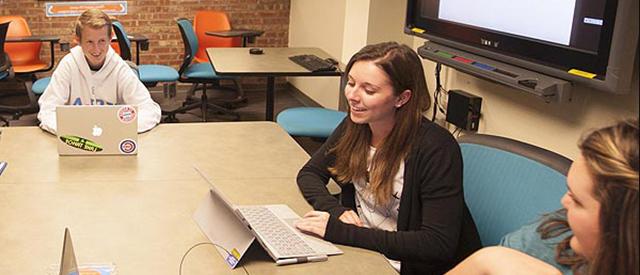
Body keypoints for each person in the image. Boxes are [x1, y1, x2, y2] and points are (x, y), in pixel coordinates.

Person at [294, 41, 481, 275]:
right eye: (351, 83)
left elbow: (437, 244)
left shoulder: (436, 148)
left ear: (401, 98)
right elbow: (310, 174)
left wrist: (341, 232)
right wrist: (336, 211)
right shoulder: (356, 125)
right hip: (367, 250)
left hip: (411, 265)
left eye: (368, 90)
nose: (352, 96)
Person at [446, 118, 639, 275]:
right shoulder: (550, 238)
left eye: (578, 202)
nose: (564, 202)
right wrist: (486, 260)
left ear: (624, 226)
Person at [37, 9, 161, 134]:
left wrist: (117, 130)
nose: (96, 50)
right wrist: (73, 132)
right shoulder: (68, 65)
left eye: (102, 41)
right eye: (90, 42)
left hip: (114, 140)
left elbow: (150, 110)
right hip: (77, 141)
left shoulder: (119, 68)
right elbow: (47, 110)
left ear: (110, 39)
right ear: (78, 40)